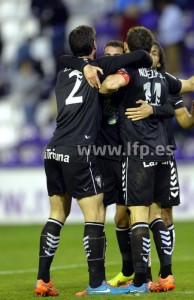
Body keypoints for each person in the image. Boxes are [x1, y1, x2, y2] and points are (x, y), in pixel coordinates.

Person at [33, 25, 153, 297]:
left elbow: (65, 59)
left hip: (53, 150)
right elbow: (143, 57)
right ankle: (97, 283)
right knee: (96, 214)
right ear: (94, 47)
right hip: (79, 149)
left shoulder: (62, 70)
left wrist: (79, 63)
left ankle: (42, 279)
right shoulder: (100, 65)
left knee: (57, 215)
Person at [99, 26, 194, 294]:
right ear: (149, 46)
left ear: (127, 48)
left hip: (138, 153)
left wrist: (106, 82)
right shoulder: (163, 77)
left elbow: (109, 86)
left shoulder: (130, 72)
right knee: (157, 214)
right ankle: (167, 274)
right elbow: (192, 84)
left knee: (138, 215)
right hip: (163, 154)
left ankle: (140, 280)